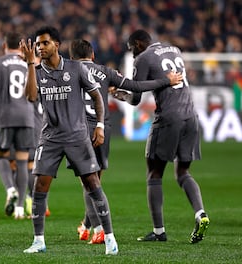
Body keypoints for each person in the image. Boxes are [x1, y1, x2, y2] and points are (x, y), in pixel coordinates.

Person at [69, 39, 183, 245]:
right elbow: (136, 85)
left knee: (89, 182)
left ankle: (98, 229)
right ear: (93, 55)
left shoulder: (67, 71)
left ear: (72, 57)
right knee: (95, 181)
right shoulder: (105, 71)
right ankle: (86, 226)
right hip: (103, 130)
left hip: (79, 130)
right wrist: (166, 80)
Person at [20, 26, 118, 255]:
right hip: (50, 138)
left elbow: (97, 97)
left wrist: (100, 126)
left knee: (93, 184)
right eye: (37, 44)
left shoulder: (76, 68)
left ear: (57, 44)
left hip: (77, 137)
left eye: (44, 43)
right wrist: (30, 64)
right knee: (39, 187)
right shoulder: (38, 70)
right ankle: (38, 241)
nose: (40, 48)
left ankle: (110, 238)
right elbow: (31, 97)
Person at [113, 29, 210, 243]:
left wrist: (119, 94)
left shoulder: (144, 58)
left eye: (132, 50)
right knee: (183, 172)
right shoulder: (173, 49)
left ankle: (159, 232)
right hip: (190, 116)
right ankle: (200, 213)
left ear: (138, 44)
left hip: (169, 117)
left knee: (154, 174)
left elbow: (136, 96)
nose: (133, 55)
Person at [0, 32, 35, 219]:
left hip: (5, 117)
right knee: (22, 161)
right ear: (21, 45)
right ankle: (20, 208)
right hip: (26, 117)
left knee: (2, 155)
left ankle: (11, 190)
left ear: (4, 45)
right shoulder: (30, 64)